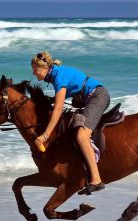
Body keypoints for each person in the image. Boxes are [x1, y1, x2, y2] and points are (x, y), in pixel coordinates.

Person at [31, 51, 110, 193]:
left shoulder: (59, 77)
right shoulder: (55, 74)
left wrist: (45, 135)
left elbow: (58, 109)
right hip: (90, 99)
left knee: (81, 135)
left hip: (98, 96)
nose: (34, 74)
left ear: (44, 68)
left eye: (35, 70)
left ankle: (96, 179)